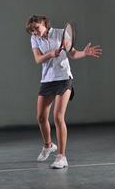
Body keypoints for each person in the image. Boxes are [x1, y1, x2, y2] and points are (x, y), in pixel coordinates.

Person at [25, 15, 102, 169]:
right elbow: (38, 59)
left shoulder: (61, 33)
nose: (35, 32)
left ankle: (61, 157)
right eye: (32, 31)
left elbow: (72, 54)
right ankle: (48, 145)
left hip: (63, 78)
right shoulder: (35, 39)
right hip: (47, 80)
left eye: (37, 28)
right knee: (41, 118)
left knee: (58, 117)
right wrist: (50, 54)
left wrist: (84, 53)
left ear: (45, 24)